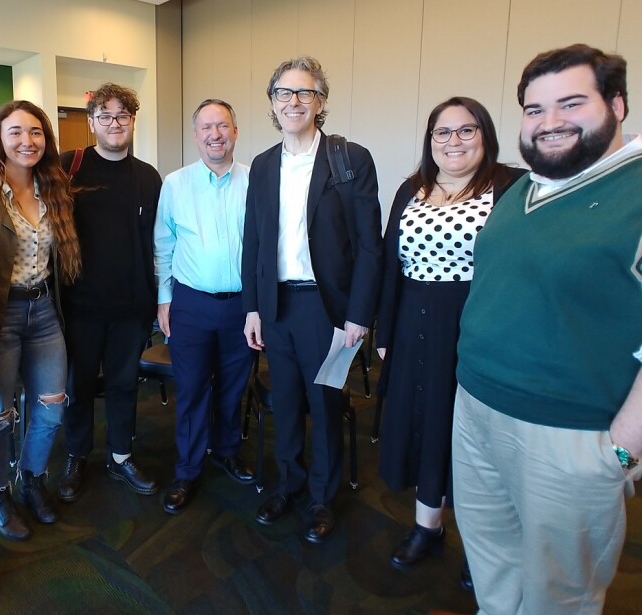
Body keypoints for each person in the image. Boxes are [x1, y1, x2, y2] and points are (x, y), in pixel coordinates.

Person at [453, 43, 642, 614]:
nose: (549, 122)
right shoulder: (523, 188)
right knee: (494, 568)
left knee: (558, 597)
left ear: (618, 105)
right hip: (478, 412)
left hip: (568, 436)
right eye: (535, 109)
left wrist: (621, 454)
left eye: (571, 103)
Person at [375, 97, 525, 576]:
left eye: (467, 130)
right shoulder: (411, 188)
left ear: (485, 136)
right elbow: (388, 263)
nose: (453, 141)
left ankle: (484, 543)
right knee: (424, 423)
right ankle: (427, 527)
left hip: (478, 325)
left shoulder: (510, 186)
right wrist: (384, 328)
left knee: (479, 437)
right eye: (443, 132)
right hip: (413, 323)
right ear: (430, 139)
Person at [242, 56, 383, 543]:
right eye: (284, 93)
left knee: (325, 404)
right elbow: (253, 243)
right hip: (276, 306)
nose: (294, 101)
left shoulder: (349, 159)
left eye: (305, 93)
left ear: (320, 102)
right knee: (284, 400)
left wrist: (359, 315)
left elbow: (370, 245)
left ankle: (322, 497)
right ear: (273, 103)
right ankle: (290, 482)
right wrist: (253, 308)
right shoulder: (262, 165)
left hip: (328, 309)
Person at [0, 100, 81, 541]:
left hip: (45, 311)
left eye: (36, 133)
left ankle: (32, 479)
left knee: (51, 405)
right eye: (16, 132)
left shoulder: (54, 186)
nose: (27, 141)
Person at [57, 82, 162, 501]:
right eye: (106, 116)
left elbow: (157, 243)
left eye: (123, 116)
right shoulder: (69, 167)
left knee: (123, 384)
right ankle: (77, 454)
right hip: (79, 305)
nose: (115, 124)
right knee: (78, 384)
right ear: (92, 121)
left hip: (129, 307)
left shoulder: (148, 177)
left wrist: (155, 304)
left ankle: (120, 456)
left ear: (133, 121)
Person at [154, 99, 256, 515]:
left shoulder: (257, 180)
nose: (215, 134)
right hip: (191, 303)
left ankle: (227, 451)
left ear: (235, 131)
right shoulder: (175, 184)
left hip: (243, 307)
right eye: (206, 127)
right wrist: (164, 299)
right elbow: (164, 245)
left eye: (223, 126)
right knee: (193, 387)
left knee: (233, 386)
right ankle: (188, 469)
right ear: (195, 135)